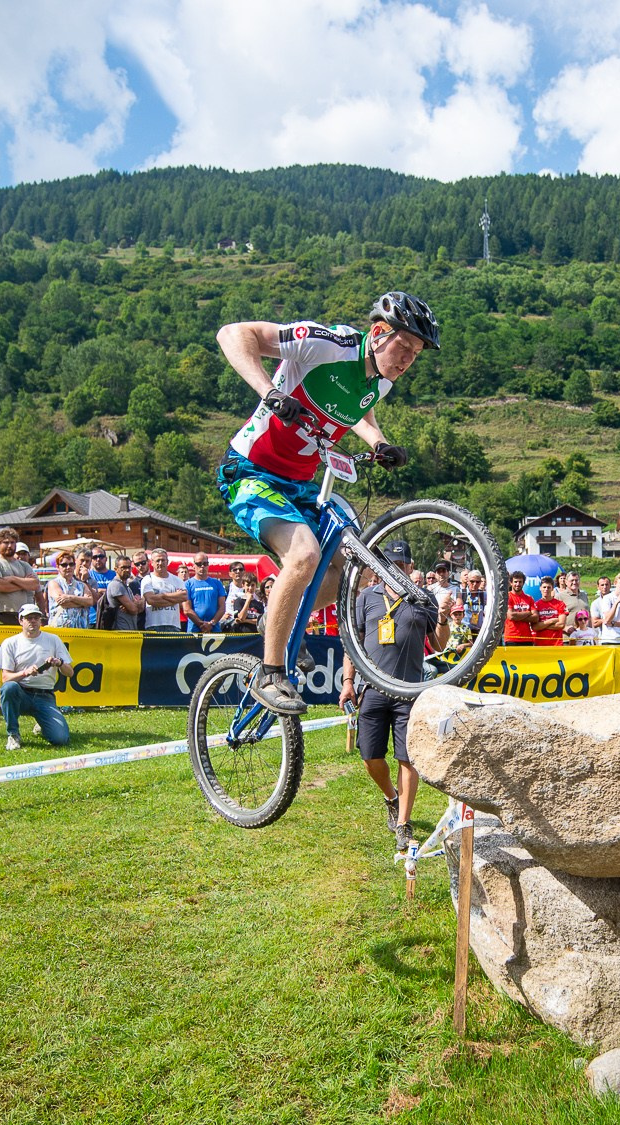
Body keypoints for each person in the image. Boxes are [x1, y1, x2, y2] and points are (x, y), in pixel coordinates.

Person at [213, 291, 435, 714]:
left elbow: (360, 412)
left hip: (301, 484)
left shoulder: (381, 382)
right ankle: (270, 671)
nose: (407, 359)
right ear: (377, 333)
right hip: (250, 471)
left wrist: (380, 443)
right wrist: (269, 392)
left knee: (350, 573)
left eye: (416, 353)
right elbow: (233, 334)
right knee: (304, 554)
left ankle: (276, 620)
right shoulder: (327, 343)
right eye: (403, 346)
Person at [339, 538, 452, 849]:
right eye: (391, 564)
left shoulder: (423, 597)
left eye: (403, 565)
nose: (397, 570)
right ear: (382, 566)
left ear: (411, 567)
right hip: (372, 687)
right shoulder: (366, 598)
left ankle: (403, 823)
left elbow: (440, 644)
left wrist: (442, 617)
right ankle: (391, 796)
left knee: (407, 758)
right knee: (370, 756)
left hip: (408, 689)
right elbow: (354, 643)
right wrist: (348, 681)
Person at [0, 604, 72, 750]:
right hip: (21, 694)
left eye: (36, 617)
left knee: (61, 739)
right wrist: (25, 672)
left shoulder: (53, 640)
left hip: (45, 696)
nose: (33, 621)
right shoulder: (10, 643)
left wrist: (59, 663)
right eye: (29, 618)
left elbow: (70, 673)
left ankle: (42, 724)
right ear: (20, 621)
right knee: (9, 688)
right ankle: (13, 734)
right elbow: (5, 678)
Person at [0, 527, 40, 624]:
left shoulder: (24, 565)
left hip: (22, 614)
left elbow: (34, 584)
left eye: (12, 542)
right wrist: (24, 584)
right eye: (6, 542)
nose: (9, 546)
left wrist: (12, 579)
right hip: (0, 613)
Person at [43, 552, 96, 631]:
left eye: (71, 564)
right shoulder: (53, 583)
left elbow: (90, 601)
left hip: (81, 630)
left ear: (74, 566)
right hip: (60, 630)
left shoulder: (82, 585)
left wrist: (70, 597)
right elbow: (63, 603)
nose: (68, 567)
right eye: (64, 565)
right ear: (58, 566)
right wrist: (82, 603)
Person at [138, 548, 187, 631]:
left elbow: (184, 597)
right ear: (152, 562)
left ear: (167, 561)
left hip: (174, 625)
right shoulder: (147, 579)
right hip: (153, 625)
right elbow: (151, 600)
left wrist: (161, 596)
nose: (160, 563)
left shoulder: (177, 580)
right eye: (157, 561)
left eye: (163, 560)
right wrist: (175, 598)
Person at [101, 555, 145, 631]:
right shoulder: (116, 585)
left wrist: (134, 604)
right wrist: (134, 604)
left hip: (130, 629)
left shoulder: (127, 587)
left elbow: (140, 609)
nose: (127, 570)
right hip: (120, 631)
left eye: (129, 567)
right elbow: (134, 610)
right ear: (116, 569)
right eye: (123, 567)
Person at [184, 559, 227, 633]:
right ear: (194, 566)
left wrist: (211, 624)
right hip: (194, 629)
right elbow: (187, 609)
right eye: (199, 564)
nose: (202, 566)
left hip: (214, 629)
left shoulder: (217, 583)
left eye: (205, 563)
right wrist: (201, 624)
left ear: (208, 565)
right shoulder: (188, 584)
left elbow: (222, 608)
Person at [592, 575, 620, 645]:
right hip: (609, 639)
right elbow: (607, 619)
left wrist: (614, 623)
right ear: (615, 583)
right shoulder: (607, 598)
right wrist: (617, 602)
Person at [503, 570, 539, 645]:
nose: (518, 584)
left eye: (520, 582)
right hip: (511, 638)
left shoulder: (529, 598)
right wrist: (528, 613)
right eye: (515, 582)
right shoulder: (507, 597)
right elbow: (511, 616)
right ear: (511, 582)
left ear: (523, 583)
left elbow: (535, 618)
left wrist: (518, 616)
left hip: (527, 638)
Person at [533, 575, 569, 647]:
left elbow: (561, 625)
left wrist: (542, 625)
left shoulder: (560, 604)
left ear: (552, 589)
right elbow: (535, 627)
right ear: (540, 588)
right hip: (540, 644)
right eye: (544, 587)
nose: (546, 589)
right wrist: (552, 621)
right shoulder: (536, 605)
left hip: (556, 644)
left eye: (549, 587)